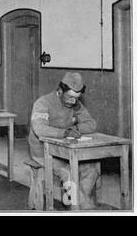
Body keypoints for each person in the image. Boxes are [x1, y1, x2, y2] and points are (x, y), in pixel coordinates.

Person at [29, 72, 100, 210]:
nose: (73, 101)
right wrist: (64, 132)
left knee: (91, 169)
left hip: (66, 151)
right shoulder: (43, 103)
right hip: (43, 152)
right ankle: (83, 208)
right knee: (68, 173)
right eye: (70, 97)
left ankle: (78, 206)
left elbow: (91, 123)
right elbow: (39, 128)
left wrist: (76, 128)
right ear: (60, 91)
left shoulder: (75, 104)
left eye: (76, 98)